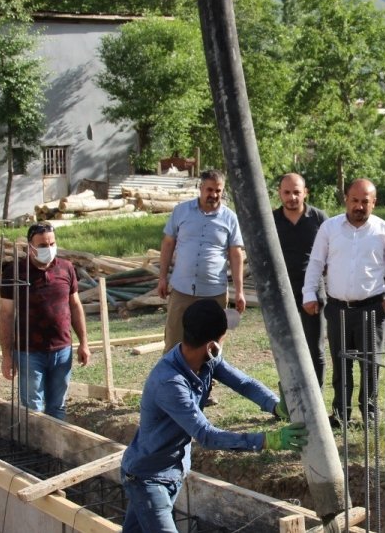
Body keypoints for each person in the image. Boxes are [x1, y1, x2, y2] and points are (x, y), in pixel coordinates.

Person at [120, 299, 307, 532]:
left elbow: (243, 383)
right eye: (223, 337)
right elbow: (206, 435)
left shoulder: (206, 360)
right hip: (149, 478)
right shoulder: (169, 383)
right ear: (211, 345)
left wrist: (275, 406)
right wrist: (267, 440)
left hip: (171, 471)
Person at [303, 179, 385, 427]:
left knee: (371, 363)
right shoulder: (329, 228)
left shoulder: (384, 230)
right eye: (355, 200)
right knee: (341, 363)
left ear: (374, 203)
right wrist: (309, 294)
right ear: (346, 199)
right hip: (338, 308)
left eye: (365, 202)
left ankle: (369, 413)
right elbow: (316, 263)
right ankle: (341, 413)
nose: (359, 206)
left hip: (372, 308)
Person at [0, 222, 90, 420]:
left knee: (58, 406)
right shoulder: (15, 273)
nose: (48, 249)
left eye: (51, 244)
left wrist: (84, 343)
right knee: (33, 409)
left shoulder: (66, 268)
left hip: (62, 350)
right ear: (30, 247)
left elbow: (75, 306)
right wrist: (6, 355)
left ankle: (56, 440)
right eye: (42, 245)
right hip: (29, 352)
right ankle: (36, 441)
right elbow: (5, 314)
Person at [157, 169, 246, 352]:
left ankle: (207, 372)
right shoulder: (181, 211)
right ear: (201, 188)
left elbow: (236, 254)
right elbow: (168, 244)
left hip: (214, 291)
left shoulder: (230, 218)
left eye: (218, 190)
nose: (214, 195)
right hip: (182, 289)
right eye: (209, 189)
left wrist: (239, 291)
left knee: (212, 346)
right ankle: (174, 372)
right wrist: (162, 278)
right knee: (174, 341)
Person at [272, 173, 330, 388]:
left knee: (315, 349)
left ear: (305, 192)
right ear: (279, 193)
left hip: (313, 292)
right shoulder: (271, 220)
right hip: (281, 293)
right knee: (285, 349)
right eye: (287, 192)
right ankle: (291, 397)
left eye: (296, 192)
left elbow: (332, 252)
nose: (292, 197)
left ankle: (317, 398)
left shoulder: (319, 218)